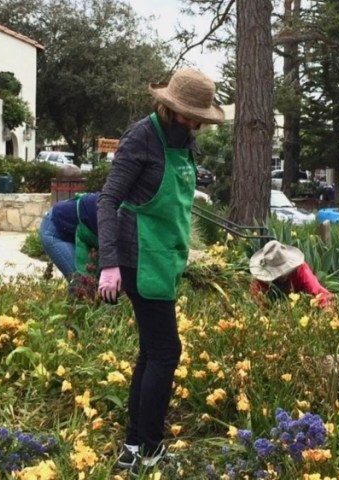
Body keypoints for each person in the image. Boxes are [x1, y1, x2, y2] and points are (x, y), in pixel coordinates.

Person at [96, 68, 225, 473]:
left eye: (198, 117)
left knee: (152, 353)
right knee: (168, 352)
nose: (195, 123)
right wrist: (109, 264)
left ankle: (135, 445)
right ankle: (148, 448)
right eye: (189, 115)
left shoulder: (185, 142)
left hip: (164, 256)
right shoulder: (142, 136)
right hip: (138, 257)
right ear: (171, 108)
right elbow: (108, 200)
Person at [248, 240, 333, 309]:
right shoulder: (260, 280)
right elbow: (258, 307)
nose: (283, 275)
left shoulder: (300, 269)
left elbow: (319, 292)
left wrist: (327, 308)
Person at [38, 192, 99, 287]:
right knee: (83, 283)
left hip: (77, 230)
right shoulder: (112, 210)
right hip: (55, 229)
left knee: (97, 280)